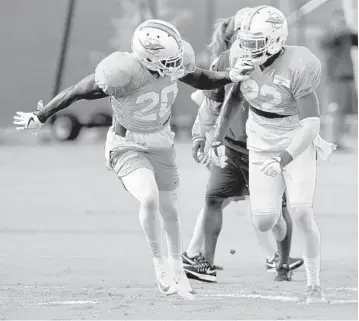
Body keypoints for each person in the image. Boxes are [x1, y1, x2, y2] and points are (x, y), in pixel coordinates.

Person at [13, 19, 249, 299]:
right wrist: (40, 116)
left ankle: (177, 267)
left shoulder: (173, 63)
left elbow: (198, 76)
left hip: (161, 142)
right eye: (169, 61)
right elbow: (77, 91)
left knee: (170, 210)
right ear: (148, 58)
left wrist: (230, 76)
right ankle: (160, 264)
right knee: (149, 197)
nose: (176, 66)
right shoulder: (123, 73)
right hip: (127, 144)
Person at [209, 6, 336, 303]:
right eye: (246, 41)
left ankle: (313, 285)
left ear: (277, 40)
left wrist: (282, 160)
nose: (249, 48)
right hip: (260, 140)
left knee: (302, 210)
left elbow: (312, 124)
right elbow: (234, 98)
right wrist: (216, 137)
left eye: (257, 42)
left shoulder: (299, 63)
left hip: (296, 139)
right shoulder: (239, 56)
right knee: (264, 221)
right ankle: (275, 214)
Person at [182, 9, 303, 284]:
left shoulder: (292, 63)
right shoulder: (226, 60)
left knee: (273, 211)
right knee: (214, 197)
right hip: (232, 145)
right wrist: (201, 136)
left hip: (268, 148)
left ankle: (281, 263)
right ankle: (205, 262)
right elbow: (211, 104)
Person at [321, 9, 358, 150]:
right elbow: (327, 43)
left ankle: (338, 140)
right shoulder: (331, 36)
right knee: (335, 111)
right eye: (339, 20)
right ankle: (331, 140)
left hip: (348, 78)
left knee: (344, 112)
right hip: (336, 79)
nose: (342, 23)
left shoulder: (347, 36)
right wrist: (339, 31)